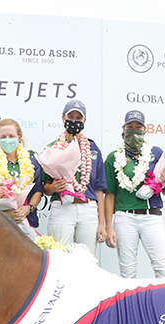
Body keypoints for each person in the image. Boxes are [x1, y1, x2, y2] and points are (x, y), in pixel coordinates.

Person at [103, 110, 165, 278]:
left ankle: (164, 304)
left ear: (145, 129)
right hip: (125, 218)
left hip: (152, 216)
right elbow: (110, 195)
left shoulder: (156, 153)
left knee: (163, 268)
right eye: (130, 126)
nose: (134, 130)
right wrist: (108, 227)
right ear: (123, 128)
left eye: (138, 126)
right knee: (127, 273)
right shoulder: (113, 157)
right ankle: (130, 305)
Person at [41, 99, 109, 257]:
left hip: (88, 209)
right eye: (71, 116)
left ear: (84, 120)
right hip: (62, 207)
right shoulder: (53, 147)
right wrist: (53, 188)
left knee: (87, 259)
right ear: (63, 118)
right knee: (60, 257)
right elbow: (45, 187)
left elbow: (99, 190)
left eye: (78, 118)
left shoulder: (93, 148)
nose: (74, 121)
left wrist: (101, 224)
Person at [0, 118, 45, 237]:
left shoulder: (32, 163)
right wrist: (8, 214)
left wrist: (28, 208)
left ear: (19, 137)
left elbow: (38, 192)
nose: (7, 140)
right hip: (0, 223)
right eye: (3, 137)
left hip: (28, 221)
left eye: (11, 136)